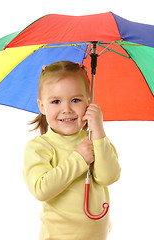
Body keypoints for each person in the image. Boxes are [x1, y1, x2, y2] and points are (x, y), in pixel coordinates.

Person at [23, 61, 121, 240]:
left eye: (75, 100)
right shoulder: (39, 147)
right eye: (56, 101)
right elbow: (40, 189)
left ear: (88, 102)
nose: (66, 109)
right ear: (42, 106)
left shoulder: (95, 140)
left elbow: (109, 177)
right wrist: (79, 159)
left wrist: (98, 131)